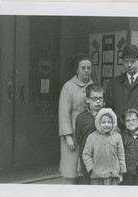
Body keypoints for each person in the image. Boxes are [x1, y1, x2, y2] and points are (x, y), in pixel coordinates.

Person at [104, 45, 138, 143]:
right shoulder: (114, 83)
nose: (129, 65)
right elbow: (108, 109)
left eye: (133, 61)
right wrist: (113, 126)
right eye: (126, 61)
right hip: (118, 135)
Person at [58, 54, 93, 184]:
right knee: (70, 171)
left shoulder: (93, 85)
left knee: (86, 170)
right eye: (83, 68)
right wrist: (67, 136)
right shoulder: (68, 87)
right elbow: (63, 113)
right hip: (72, 132)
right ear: (76, 69)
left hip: (88, 132)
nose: (86, 70)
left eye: (89, 68)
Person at [82, 108, 126, 185]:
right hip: (97, 175)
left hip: (113, 175)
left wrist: (121, 172)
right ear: (99, 123)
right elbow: (86, 154)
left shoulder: (117, 137)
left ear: (113, 123)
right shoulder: (92, 137)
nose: (106, 125)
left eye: (109, 122)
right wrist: (91, 168)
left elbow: (121, 155)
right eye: (103, 122)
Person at [75, 83, 104, 185]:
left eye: (100, 98)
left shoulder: (108, 115)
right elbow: (79, 137)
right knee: (88, 183)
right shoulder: (81, 118)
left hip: (104, 158)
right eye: (94, 99)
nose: (97, 101)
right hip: (87, 158)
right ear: (87, 100)